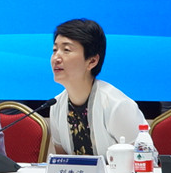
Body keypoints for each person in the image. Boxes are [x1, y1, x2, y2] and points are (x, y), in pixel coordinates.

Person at [46, 18, 145, 155]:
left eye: (66, 50)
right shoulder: (56, 105)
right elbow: (61, 161)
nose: (56, 58)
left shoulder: (118, 105)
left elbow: (144, 158)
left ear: (92, 61)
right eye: (55, 50)